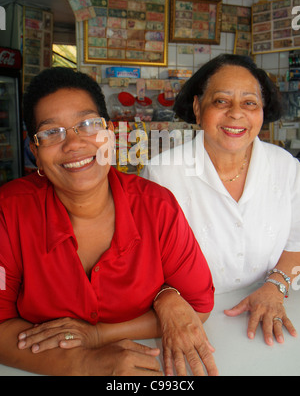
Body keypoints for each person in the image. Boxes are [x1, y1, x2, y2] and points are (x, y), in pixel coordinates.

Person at [0, 67, 217, 377]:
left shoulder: (156, 206)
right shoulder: (9, 212)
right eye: (51, 132)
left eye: (87, 124)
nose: (73, 144)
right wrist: (85, 363)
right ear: (35, 151)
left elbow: (198, 304)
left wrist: (98, 335)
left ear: (110, 133)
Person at [142, 54, 300, 347]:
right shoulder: (163, 174)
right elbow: (147, 264)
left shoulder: (286, 166)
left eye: (250, 102)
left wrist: (276, 286)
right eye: (221, 101)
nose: (236, 113)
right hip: (193, 320)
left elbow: (297, 242)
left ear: (262, 111)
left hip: (274, 311)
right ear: (198, 108)